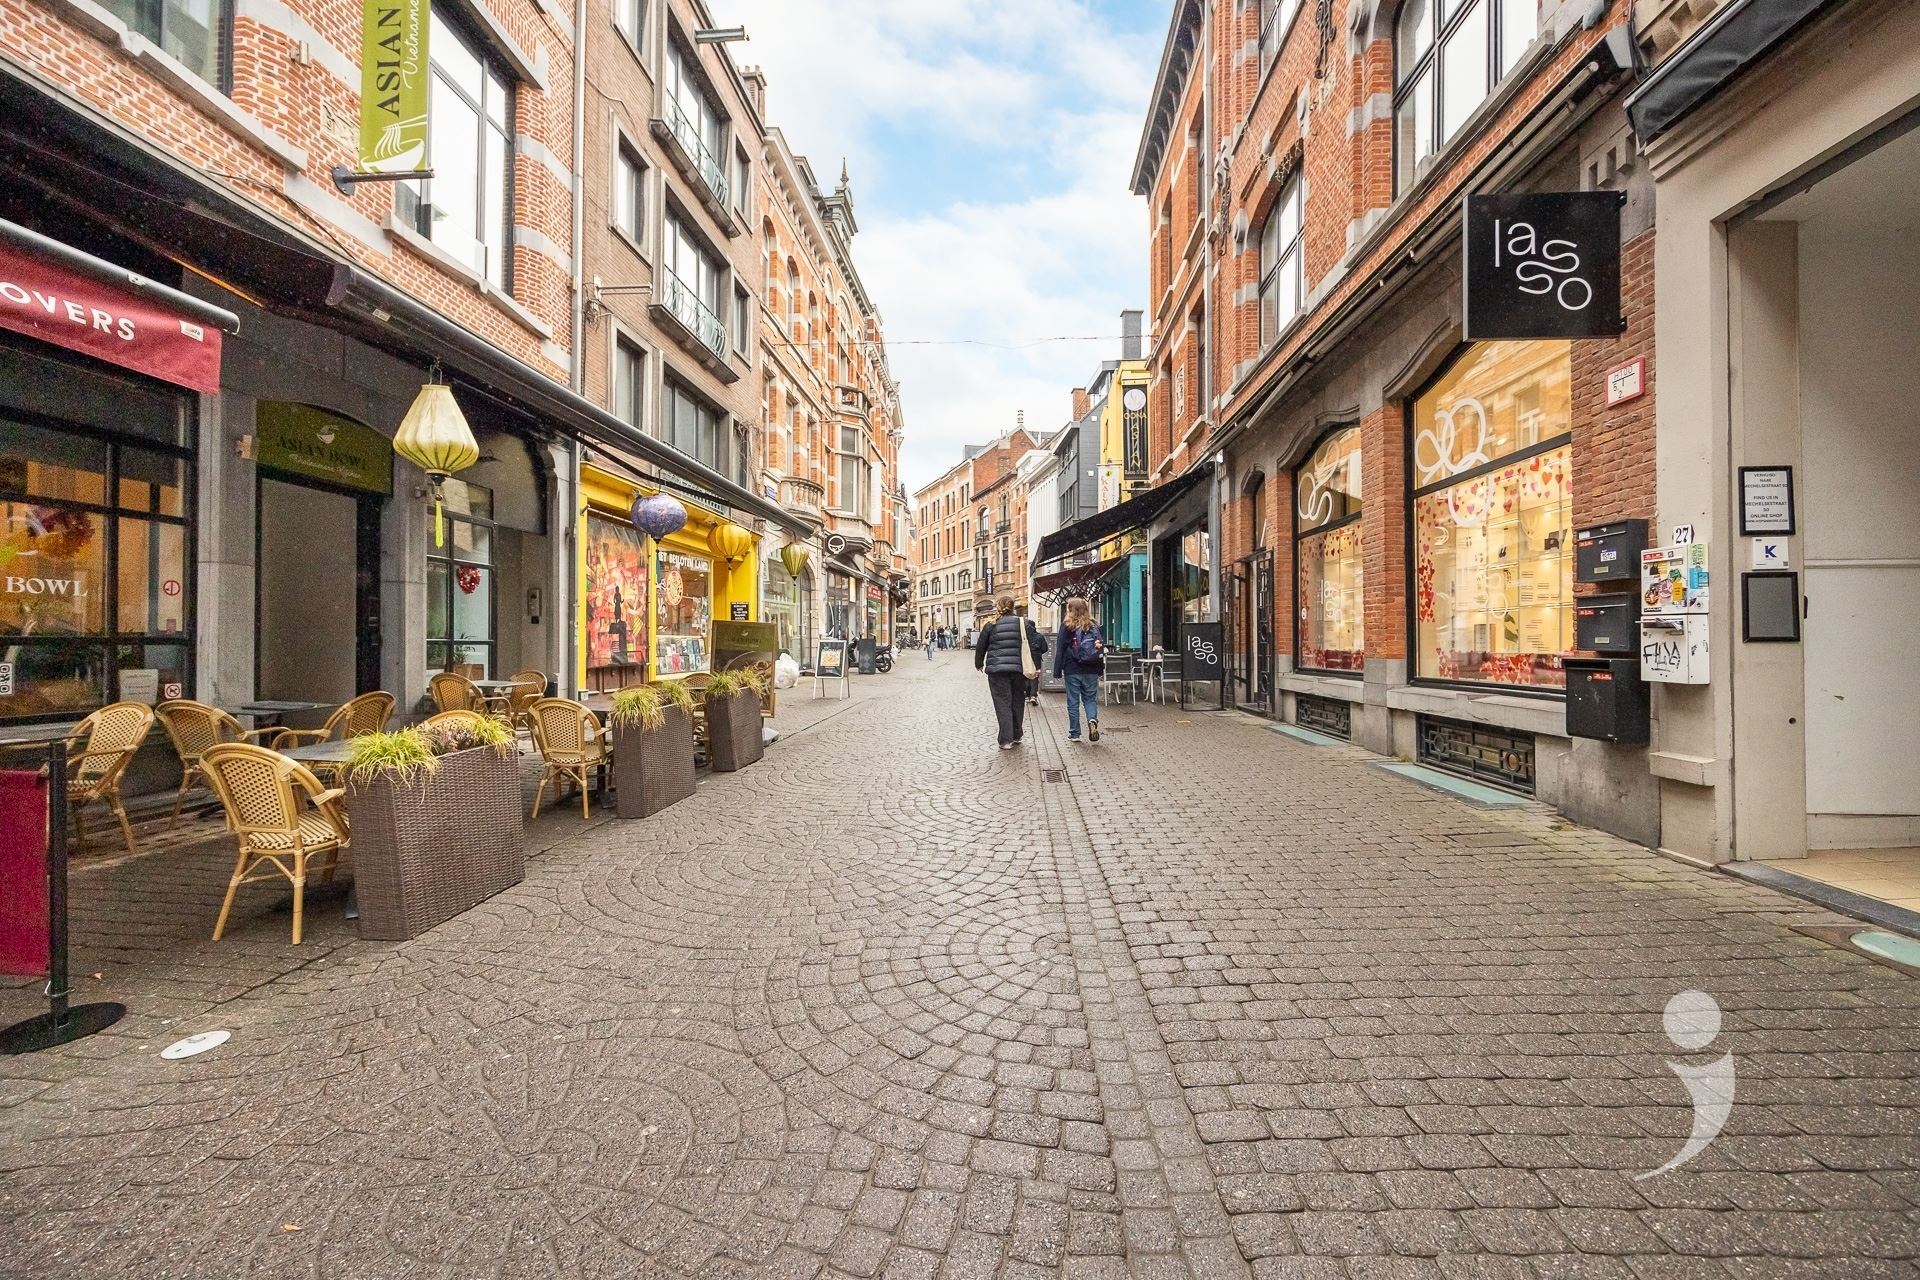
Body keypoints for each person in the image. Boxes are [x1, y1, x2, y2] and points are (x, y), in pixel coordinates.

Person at [975, 594, 1048, 749]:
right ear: (1013, 607)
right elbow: (1035, 645)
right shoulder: (1024, 623)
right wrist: (1036, 665)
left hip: (997, 671)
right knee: (1017, 701)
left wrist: (979, 663)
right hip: (1018, 669)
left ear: (999, 607)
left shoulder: (991, 625)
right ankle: (1016, 735)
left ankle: (1005, 740)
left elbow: (981, 646)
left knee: (1002, 702)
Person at [1054, 595, 1104, 743]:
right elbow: (1099, 648)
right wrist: (1100, 669)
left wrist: (1057, 670)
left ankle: (1075, 733)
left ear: (1070, 610)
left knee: (1073, 702)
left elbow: (1060, 649)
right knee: (1090, 699)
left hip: (1072, 669)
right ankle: (1092, 720)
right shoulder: (1093, 626)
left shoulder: (1067, 626)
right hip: (1091, 669)